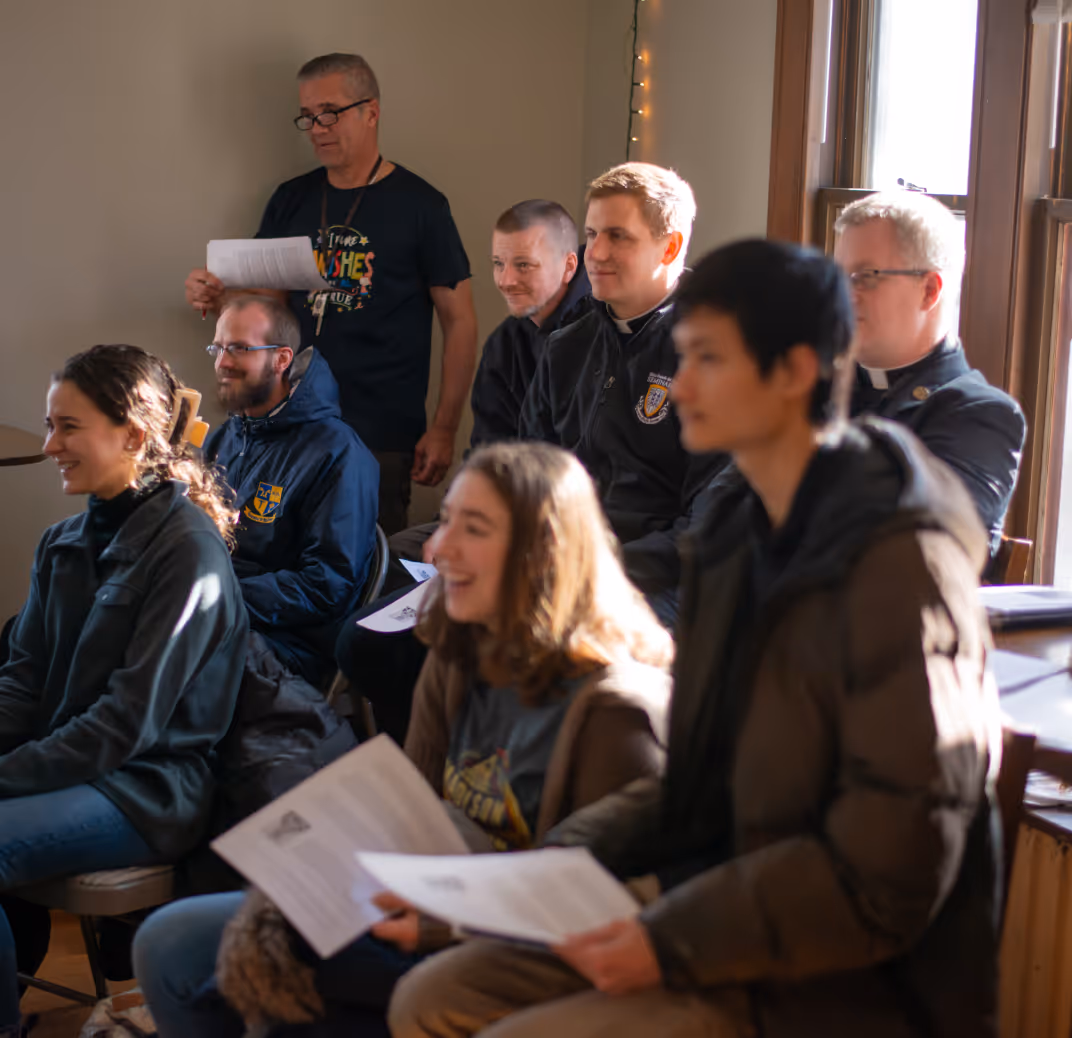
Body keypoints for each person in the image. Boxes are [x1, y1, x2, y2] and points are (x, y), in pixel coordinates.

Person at [387, 240, 1002, 1038]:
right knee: (430, 996)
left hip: (841, 976)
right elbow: (697, 779)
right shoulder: (734, 532)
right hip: (715, 898)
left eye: (708, 359)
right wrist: (516, 887)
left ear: (795, 371)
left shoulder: (901, 565)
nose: (679, 386)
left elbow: (892, 870)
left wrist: (668, 942)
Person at [133, 441, 673, 1038]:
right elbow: (413, 814)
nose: (440, 550)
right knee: (171, 941)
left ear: (545, 552)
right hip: (431, 903)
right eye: (445, 521)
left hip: (527, 953)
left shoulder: (617, 711)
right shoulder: (460, 656)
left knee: (261, 975)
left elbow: (601, 910)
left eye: (476, 528)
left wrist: (439, 918)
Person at [0, 345, 248, 1037]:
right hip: (72, 772)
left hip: (148, 788)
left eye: (67, 427)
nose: (51, 445)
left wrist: (5, 775)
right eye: (51, 426)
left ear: (134, 436)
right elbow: (20, 685)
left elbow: (123, 727)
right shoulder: (61, 543)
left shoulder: (187, 552)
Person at [184, 52, 477, 534]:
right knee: (273, 549)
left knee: (365, 566)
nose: (318, 127)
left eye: (331, 112)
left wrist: (444, 427)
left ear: (371, 111)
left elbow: (460, 320)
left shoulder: (422, 206)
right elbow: (268, 307)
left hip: (380, 430)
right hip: (288, 417)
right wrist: (217, 297)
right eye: (309, 116)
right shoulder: (291, 198)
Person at [519, 162, 727, 625]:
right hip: (557, 564)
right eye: (591, 235)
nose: (595, 253)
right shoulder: (565, 346)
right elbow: (528, 473)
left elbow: (708, 523)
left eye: (618, 236)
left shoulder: (715, 357)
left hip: (660, 583)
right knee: (382, 641)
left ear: (669, 246)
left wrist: (597, 569)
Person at [834, 190, 1026, 550]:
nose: (845, 294)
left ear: (929, 290)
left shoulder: (979, 415)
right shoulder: (816, 389)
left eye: (865, 276)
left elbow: (922, 555)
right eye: (838, 276)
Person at [205, 295, 379, 690]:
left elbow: (328, 585)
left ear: (282, 359)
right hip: (219, 615)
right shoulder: (225, 437)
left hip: (290, 644)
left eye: (239, 349)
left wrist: (216, 598)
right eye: (218, 347)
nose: (222, 362)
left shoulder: (338, 453)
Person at [469, 199, 592, 448]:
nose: (506, 281)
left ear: (569, 267)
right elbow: (491, 451)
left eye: (523, 265)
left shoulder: (602, 329)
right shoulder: (503, 346)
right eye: (498, 264)